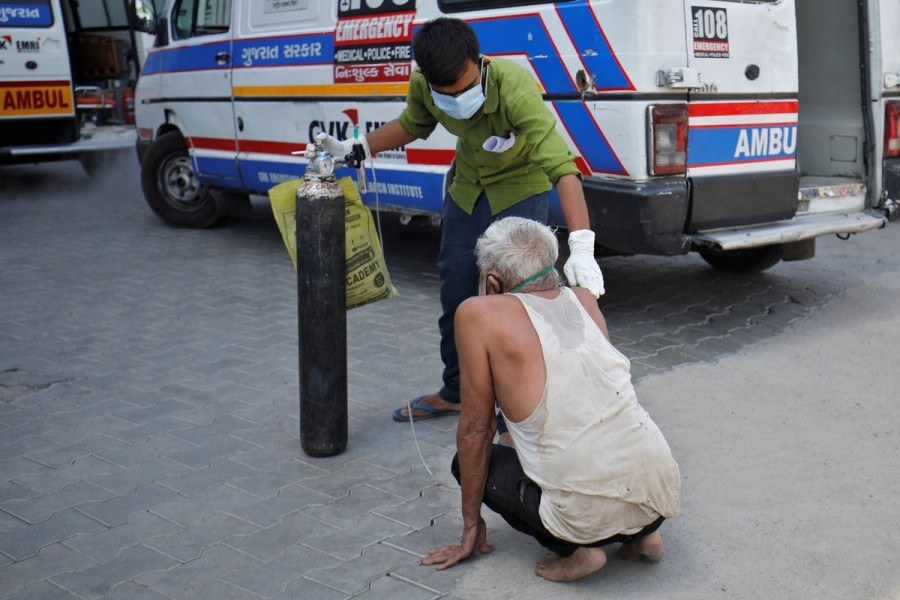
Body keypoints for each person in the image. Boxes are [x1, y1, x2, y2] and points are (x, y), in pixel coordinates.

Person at [316, 17, 605, 425]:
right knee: (456, 292)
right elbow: (413, 124)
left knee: (516, 300)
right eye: (447, 93)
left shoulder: (514, 86)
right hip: (469, 190)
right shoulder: (424, 86)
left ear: (479, 63)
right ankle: (456, 390)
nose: (458, 98)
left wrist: (582, 246)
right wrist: (357, 148)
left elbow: (561, 166)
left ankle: (516, 410)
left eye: (467, 88)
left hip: (521, 188)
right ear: (427, 79)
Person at [420, 217, 681, 582]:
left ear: (492, 281)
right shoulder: (584, 298)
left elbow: (477, 429)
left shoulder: (477, 313)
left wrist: (471, 526)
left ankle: (582, 552)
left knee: (466, 463)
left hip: (583, 520)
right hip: (658, 492)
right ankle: (644, 537)